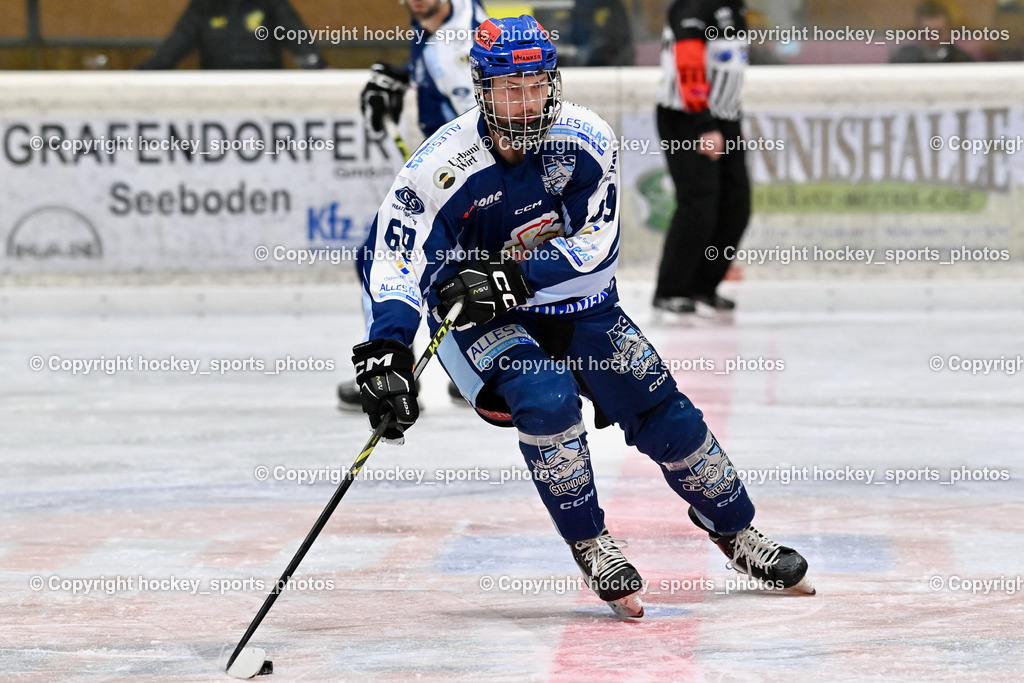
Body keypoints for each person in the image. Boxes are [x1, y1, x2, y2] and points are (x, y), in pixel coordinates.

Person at [351, 14, 814, 617]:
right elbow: (393, 257)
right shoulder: (440, 166)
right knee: (546, 399)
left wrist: (516, 275)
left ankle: (735, 528)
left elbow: (598, 247)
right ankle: (591, 541)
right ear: (483, 89)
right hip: (481, 318)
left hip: (570, 299)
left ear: (554, 81)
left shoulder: (587, 137)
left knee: (657, 404)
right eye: (509, 88)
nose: (525, 101)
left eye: (537, 84)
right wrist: (389, 349)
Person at [339, 0, 488, 410]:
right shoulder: (438, 19)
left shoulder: (462, 44)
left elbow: (486, 120)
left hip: (461, 182)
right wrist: (399, 78)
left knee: (385, 257)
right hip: (452, 176)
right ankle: (473, 369)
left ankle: (391, 372)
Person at [652, 0, 750, 316]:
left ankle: (703, 287)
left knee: (736, 203)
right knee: (698, 204)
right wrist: (703, 124)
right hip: (688, 115)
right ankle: (671, 290)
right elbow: (688, 61)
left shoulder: (734, 6)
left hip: (725, 115)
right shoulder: (694, 5)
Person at [138, 0, 325, 70]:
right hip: (215, 97)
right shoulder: (204, 6)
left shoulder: (270, 3)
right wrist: (136, 79)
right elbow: (171, 51)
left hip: (267, 94)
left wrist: (319, 67)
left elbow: (300, 42)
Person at [890, 1, 974, 64]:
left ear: (948, 32)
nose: (933, 38)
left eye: (938, 33)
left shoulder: (962, 60)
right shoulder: (903, 59)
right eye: (926, 33)